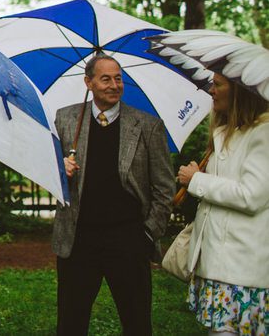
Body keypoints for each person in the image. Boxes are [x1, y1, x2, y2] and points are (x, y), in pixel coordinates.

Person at [53, 53, 174, 336]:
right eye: (105, 79)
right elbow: (45, 171)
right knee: (71, 323)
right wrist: (60, 169)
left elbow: (165, 188)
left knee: (137, 322)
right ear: (89, 83)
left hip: (129, 239)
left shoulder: (147, 125)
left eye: (118, 78)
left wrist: (148, 234)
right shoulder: (66, 119)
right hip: (78, 239)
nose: (114, 85)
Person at [177, 72, 269, 335]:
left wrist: (197, 180)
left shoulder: (263, 132)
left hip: (241, 272)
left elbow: (252, 195)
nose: (211, 91)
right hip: (218, 265)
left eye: (217, 85)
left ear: (239, 90)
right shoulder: (228, 131)